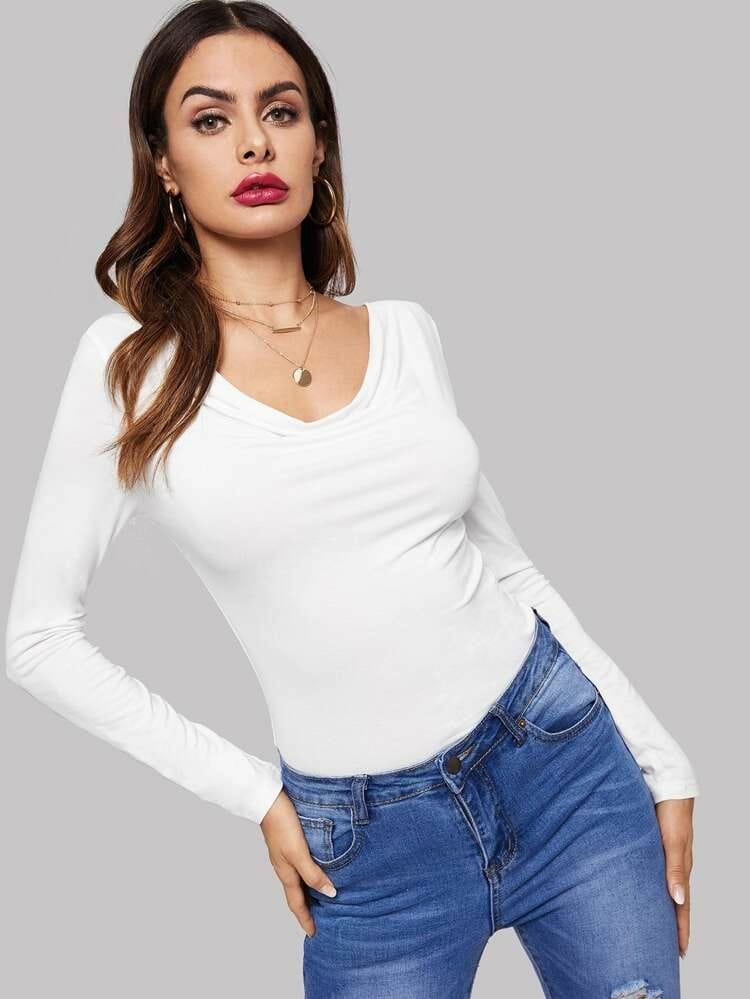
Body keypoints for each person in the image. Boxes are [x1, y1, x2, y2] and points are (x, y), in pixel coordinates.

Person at [4, 3, 698, 996]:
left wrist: (662, 758)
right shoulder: (130, 368)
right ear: (164, 163)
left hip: (566, 769)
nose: (254, 142)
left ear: (319, 144)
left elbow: (506, 568)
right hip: (370, 850)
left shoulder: (407, 333)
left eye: (281, 111)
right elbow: (37, 640)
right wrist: (256, 793)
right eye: (211, 119)